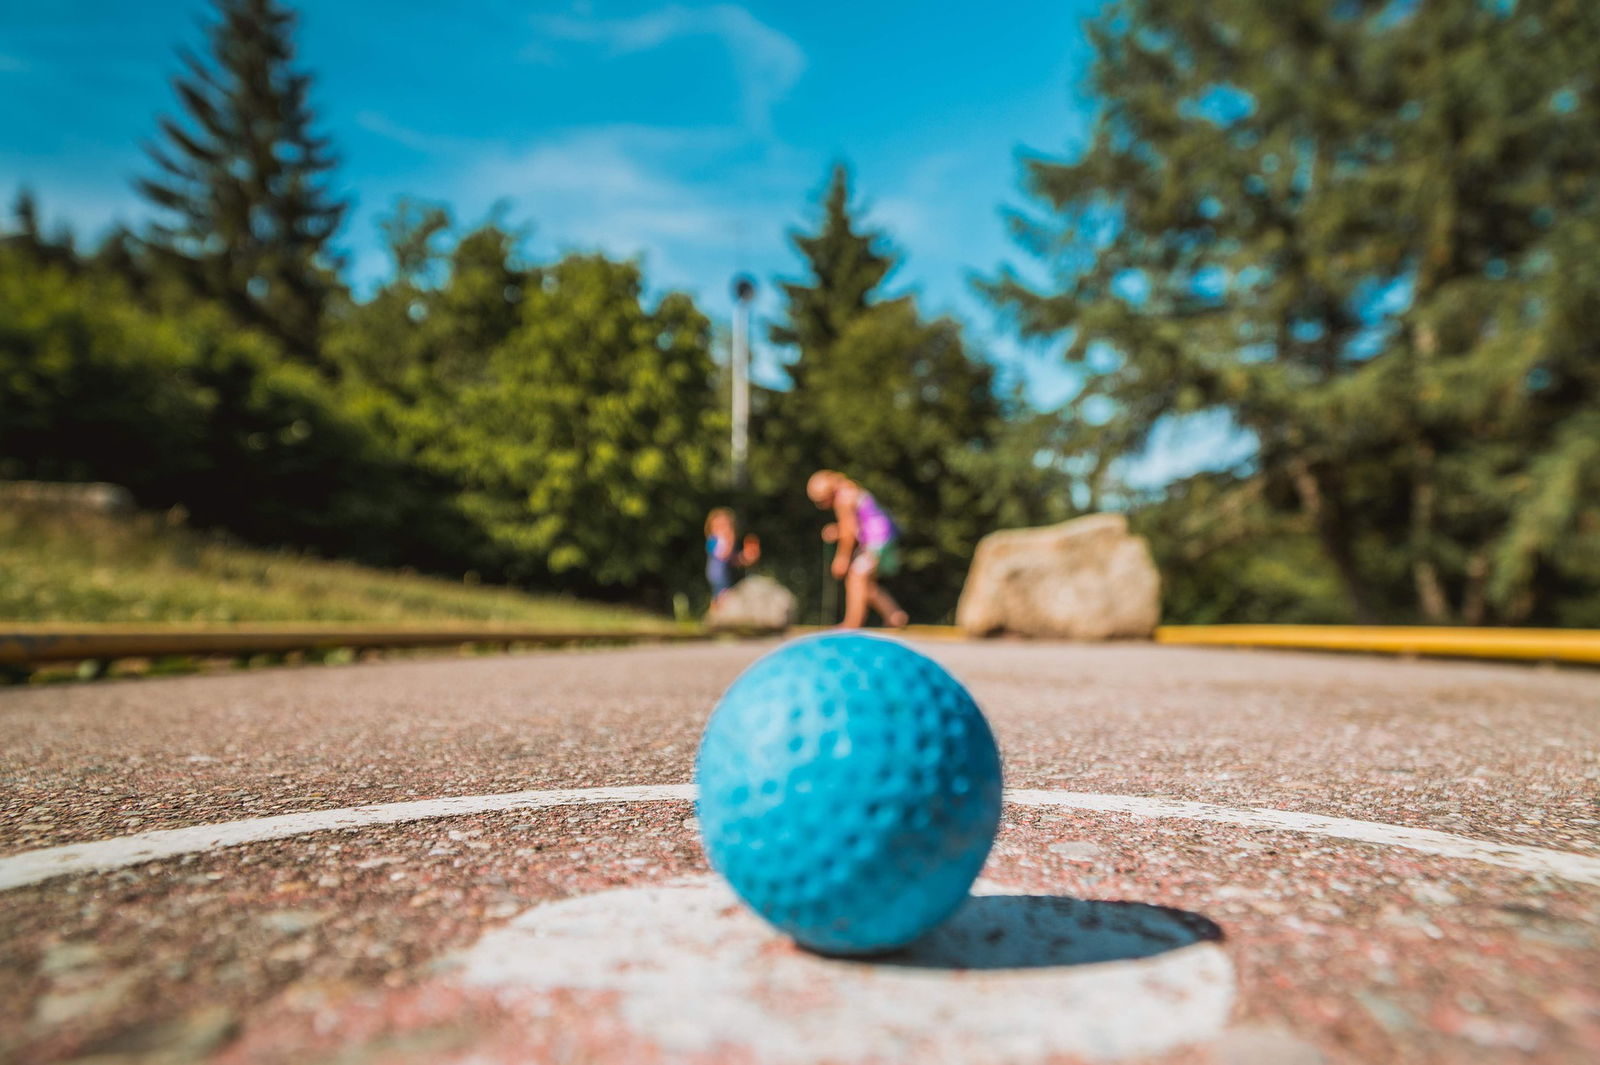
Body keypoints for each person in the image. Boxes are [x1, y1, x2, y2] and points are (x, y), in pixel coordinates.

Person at [806, 470, 909, 630]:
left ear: (828, 493)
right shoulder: (850, 489)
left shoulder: (843, 498)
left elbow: (849, 530)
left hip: (876, 540)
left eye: (820, 501)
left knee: (856, 577)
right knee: (866, 584)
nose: (820, 505)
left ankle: (852, 624)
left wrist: (842, 558)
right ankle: (894, 615)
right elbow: (859, 523)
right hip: (884, 537)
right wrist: (837, 530)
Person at [705, 507, 760, 603]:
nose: (723, 530)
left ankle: (717, 613)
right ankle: (715, 613)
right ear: (711, 528)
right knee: (721, 596)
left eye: (725, 526)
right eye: (719, 527)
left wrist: (747, 557)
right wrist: (730, 539)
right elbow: (723, 554)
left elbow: (734, 560)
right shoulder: (713, 541)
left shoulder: (725, 543)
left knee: (722, 595)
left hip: (725, 575)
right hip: (716, 575)